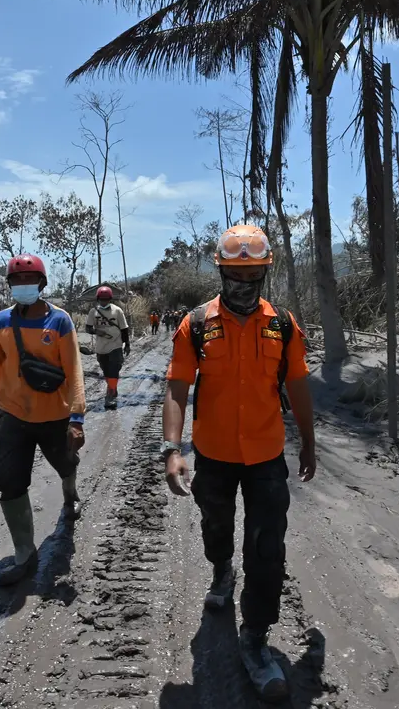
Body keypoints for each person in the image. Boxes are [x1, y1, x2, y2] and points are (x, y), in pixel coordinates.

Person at [160, 225, 317, 702]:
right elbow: (177, 387)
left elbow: (298, 386)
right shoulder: (196, 324)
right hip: (215, 455)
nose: (243, 285)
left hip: (267, 456)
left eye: (253, 275)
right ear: (221, 272)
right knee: (216, 528)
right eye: (235, 275)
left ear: (265, 273)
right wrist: (172, 449)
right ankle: (221, 568)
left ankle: (254, 641)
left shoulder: (284, 325)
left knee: (268, 549)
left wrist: (308, 442)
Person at [0, 254, 88, 586]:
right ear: (10, 286)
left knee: (65, 462)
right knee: (9, 480)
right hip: (15, 415)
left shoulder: (59, 321)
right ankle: (24, 555)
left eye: (29, 281)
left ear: (42, 284)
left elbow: (74, 370)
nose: (23, 286)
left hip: (55, 415)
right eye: (17, 281)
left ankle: (70, 494)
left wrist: (77, 417)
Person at [83, 285, 131, 410]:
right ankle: (112, 389)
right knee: (106, 372)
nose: (104, 302)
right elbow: (88, 328)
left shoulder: (117, 311)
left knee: (114, 370)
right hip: (101, 348)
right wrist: (96, 332)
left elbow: (124, 329)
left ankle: (110, 396)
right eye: (101, 299)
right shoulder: (93, 312)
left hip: (115, 345)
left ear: (110, 299)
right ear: (98, 299)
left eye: (106, 299)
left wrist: (127, 345)